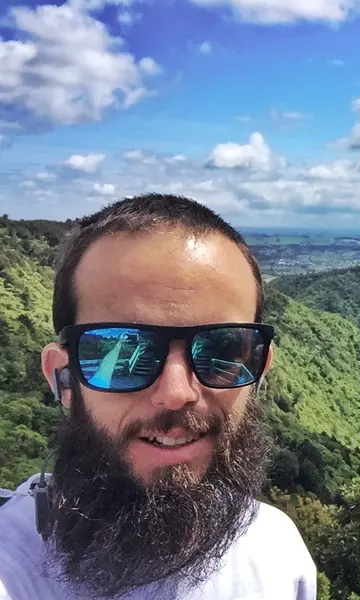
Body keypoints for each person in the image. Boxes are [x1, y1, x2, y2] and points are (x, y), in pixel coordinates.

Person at [0, 194, 317, 599]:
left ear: (258, 371)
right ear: (64, 377)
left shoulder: (277, 555)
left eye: (220, 350)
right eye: (123, 353)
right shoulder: (13, 569)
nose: (176, 393)